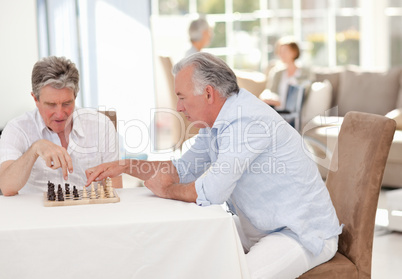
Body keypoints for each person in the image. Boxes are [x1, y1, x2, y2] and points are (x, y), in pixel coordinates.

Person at [85, 52, 342, 279]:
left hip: (300, 233)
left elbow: (212, 191)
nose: (178, 107)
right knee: (183, 249)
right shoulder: (217, 120)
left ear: (208, 93)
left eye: (182, 97)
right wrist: (126, 165)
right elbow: (182, 169)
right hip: (260, 224)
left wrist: (167, 190)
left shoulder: (246, 121)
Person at [0, 56, 119, 196]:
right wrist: (35, 149)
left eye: (67, 103)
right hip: (36, 215)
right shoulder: (17, 129)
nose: (60, 114)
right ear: (35, 99)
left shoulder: (102, 125)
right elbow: (6, 186)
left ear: (75, 96)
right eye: (51, 105)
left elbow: (115, 189)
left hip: (89, 212)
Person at [260, 37, 311, 109]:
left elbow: (305, 92)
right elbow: (270, 91)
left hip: (295, 111)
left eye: (285, 51)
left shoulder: (305, 72)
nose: (281, 54)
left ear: (294, 52)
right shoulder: (277, 72)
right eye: (280, 51)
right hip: (278, 110)